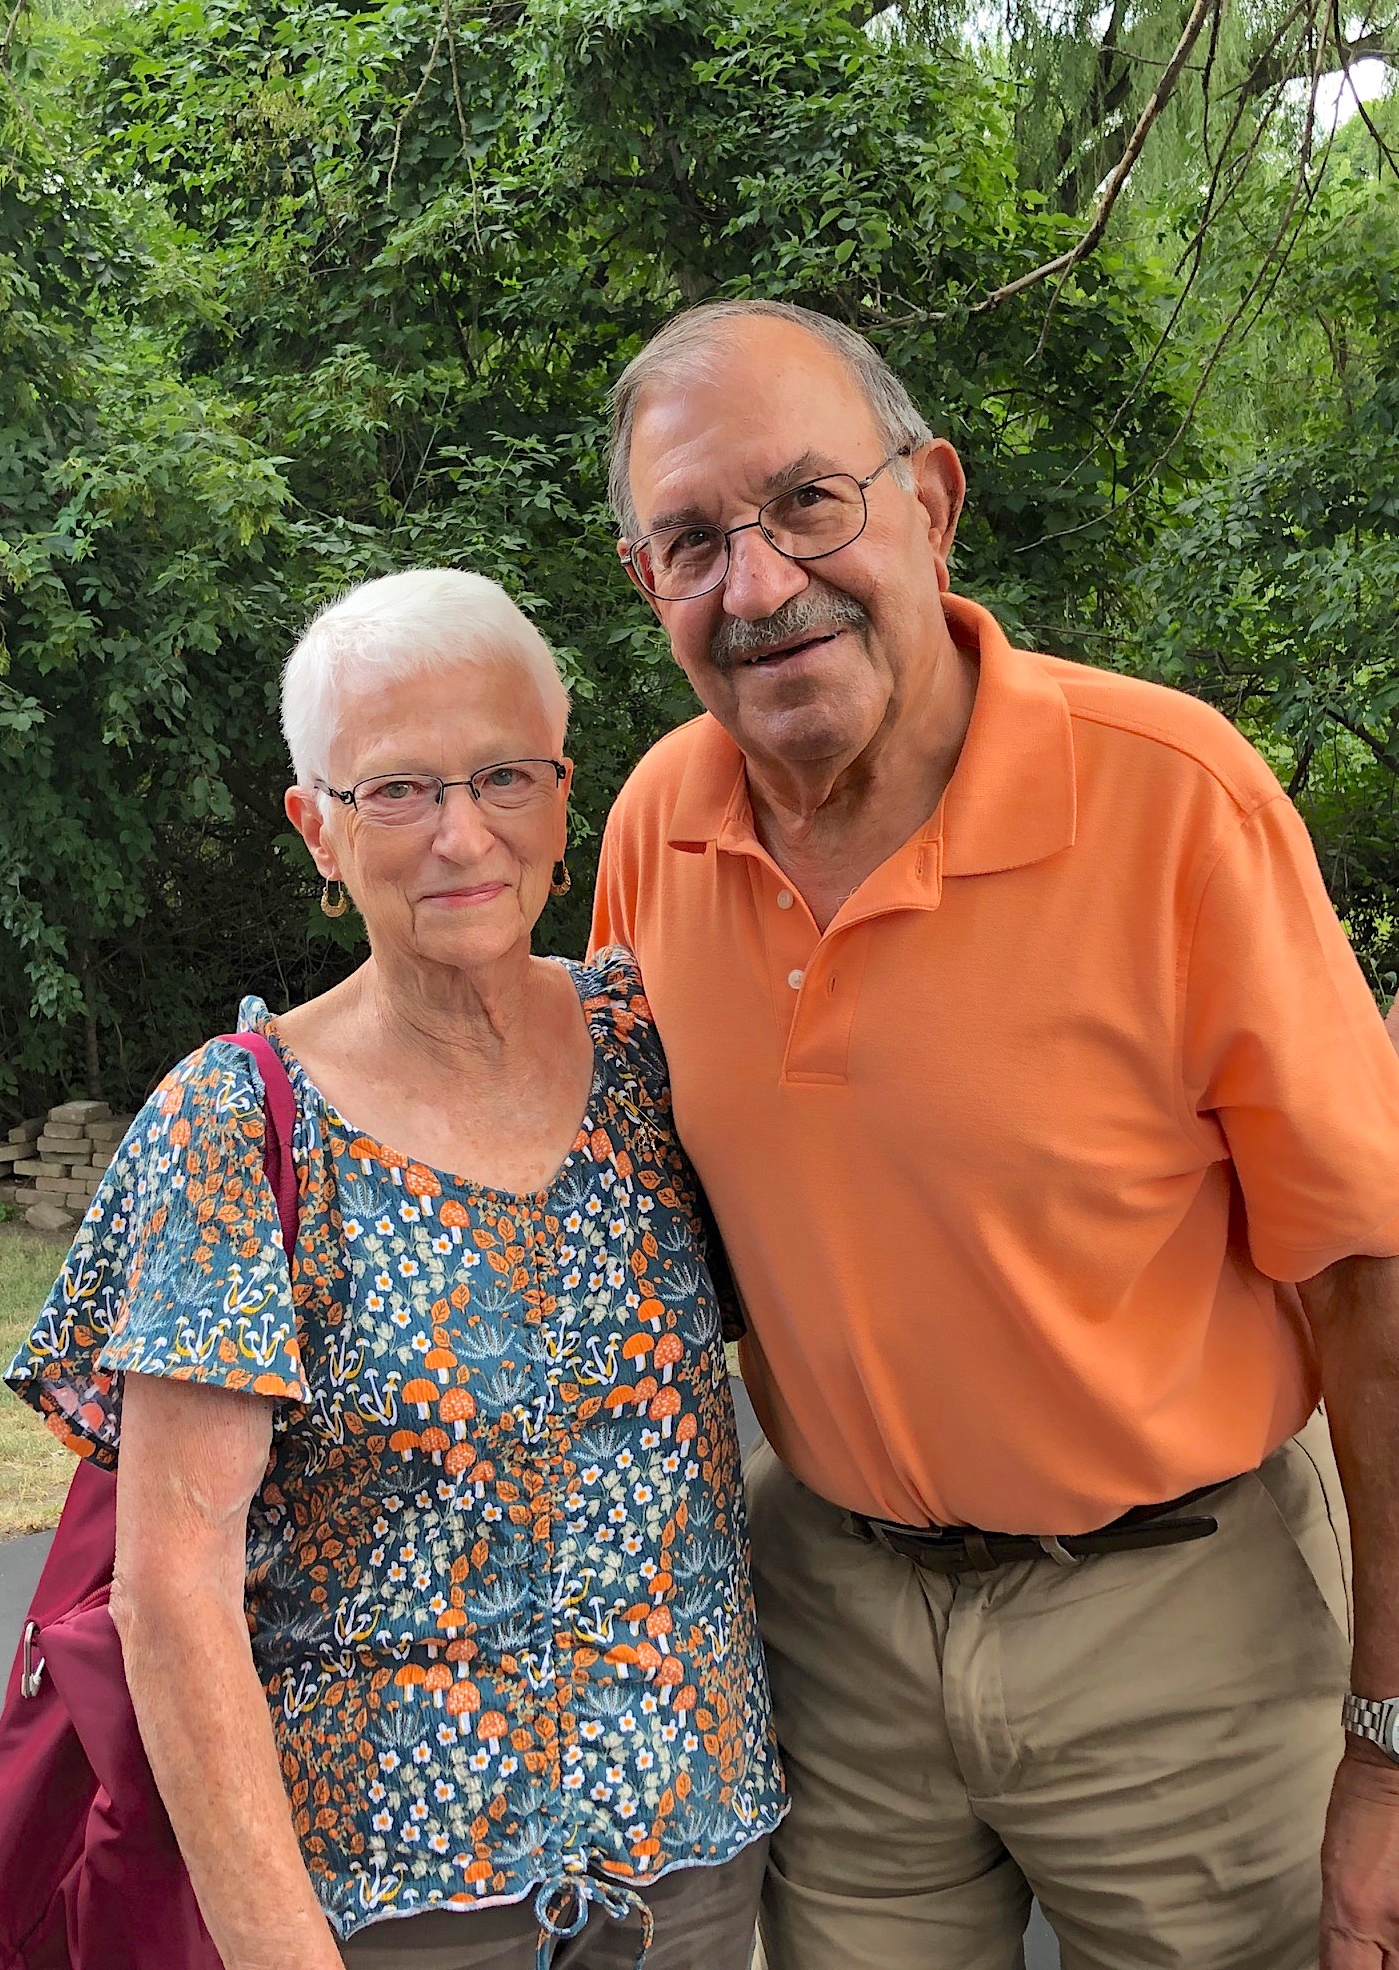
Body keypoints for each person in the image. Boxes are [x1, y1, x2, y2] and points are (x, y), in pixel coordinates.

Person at [591, 298, 1399, 1970]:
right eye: (690, 542)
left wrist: (1389, 1743)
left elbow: (1375, 1294)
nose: (756, 585)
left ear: (932, 502)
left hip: (1181, 1632)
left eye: (809, 502)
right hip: (843, 1632)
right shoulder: (656, 827)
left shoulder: (1175, 800)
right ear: (643, 587)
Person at [6, 567, 785, 1970]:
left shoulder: (657, 1050)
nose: (461, 833)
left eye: (502, 775)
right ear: (317, 827)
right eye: (398, 791)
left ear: (564, 794)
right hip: (394, 1917)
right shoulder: (236, 1124)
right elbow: (172, 1598)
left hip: (698, 1870)